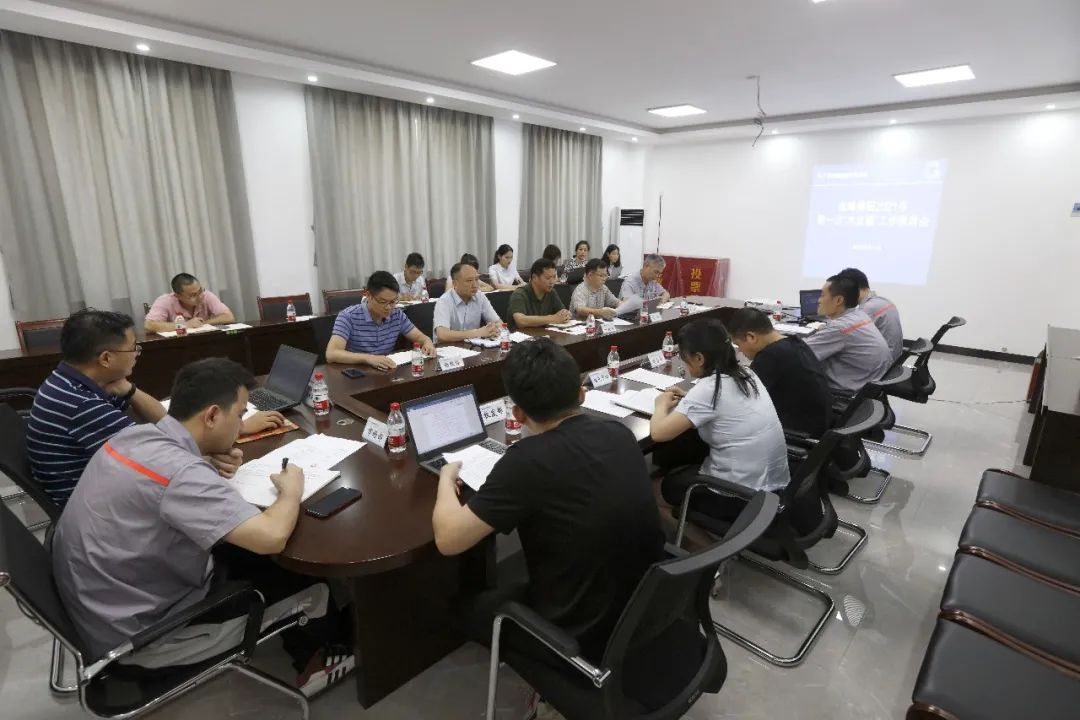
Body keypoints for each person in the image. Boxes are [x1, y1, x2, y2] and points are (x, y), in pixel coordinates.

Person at [51, 358, 353, 695]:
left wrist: (203, 460)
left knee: (247, 552)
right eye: (239, 415)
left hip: (105, 605)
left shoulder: (133, 437)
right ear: (211, 416)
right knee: (307, 576)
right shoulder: (181, 473)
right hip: (144, 639)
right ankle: (319, 661)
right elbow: (272, 537)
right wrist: (292, 489)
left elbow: (163, 483)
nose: (240, 427)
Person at [432, 338, 665, 663]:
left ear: (517, 414)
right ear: (582, 393)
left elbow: (448, 540)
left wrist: (446, 478)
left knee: (463, 608)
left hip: (581, 638)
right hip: (650, 605)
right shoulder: (619, 433)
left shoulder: (526, 461)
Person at [26, 309, 283, 506]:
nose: (137, 353)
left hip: (97, 490)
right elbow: (159, 458)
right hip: (100, 510)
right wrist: (217, 451)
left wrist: (130, 390)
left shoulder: (70, 381)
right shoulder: (82, 405)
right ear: (106, 358)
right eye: (132, 348)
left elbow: (168, 424)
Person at [650, 319, 796, 527]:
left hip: (739, 495)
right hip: (773, 487)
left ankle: (710, 544)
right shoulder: (747, 373)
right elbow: (724, 402)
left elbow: (658, 433)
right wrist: (691, 399)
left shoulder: (709, 389)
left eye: (685, 359)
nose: (685, 364)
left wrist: (661, 405)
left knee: (655, 489)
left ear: (699, 358)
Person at [727, 308, 833, 439]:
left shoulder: (770, 357)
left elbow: (742, 398)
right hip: (820, 426)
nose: (739, 351)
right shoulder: (795, 342)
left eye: (738, 344)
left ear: (751, 337)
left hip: (799, 436)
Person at [326, 271, 435, 371]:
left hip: (386, 371)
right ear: (368, 295)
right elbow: (332, 353)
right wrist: (368, 358)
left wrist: (427, 342)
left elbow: (420, 337)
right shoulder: (348, 317)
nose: (388, 307)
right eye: (382, 302)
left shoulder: (397, 314)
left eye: (393, 302)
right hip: (358, 374)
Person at [804, 274, 893, 394]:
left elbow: (799, 353)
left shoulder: (840, 327)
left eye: (823, 295)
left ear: (838, 300)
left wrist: (780, 338)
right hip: (868, 386)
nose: (819, 300)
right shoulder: (860, 315)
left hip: (846, 392)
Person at [837, 267, 904, 362]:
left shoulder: (868, 308)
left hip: (882, 363)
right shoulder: (884, 301)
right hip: (894, 359)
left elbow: (843, 335)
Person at [432, 262, 503, 343]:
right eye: (469, 280)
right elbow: (442, 335)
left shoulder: (479, 296)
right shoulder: (444, 301)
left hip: (472, 346)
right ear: (455, 284)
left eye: (476, 279)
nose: (475, 285)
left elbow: (498, 322)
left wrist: (494, 329)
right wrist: (477, 333)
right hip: (448, 348)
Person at [145, 273, 235, 334]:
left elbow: (229, 317)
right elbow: (149, 326)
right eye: (193, 295)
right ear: (178, 296)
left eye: (200, 291)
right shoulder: (165, 301)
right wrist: (185, 325)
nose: (199, 296)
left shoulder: (206, 295)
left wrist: (203, 323)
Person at [508, 259, 572, 328]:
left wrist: (566, 314)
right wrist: (553, 318)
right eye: (548, 278)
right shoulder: (519, 294)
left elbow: (562, 311)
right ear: (534, 277)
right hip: (522, 334)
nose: (552, 282)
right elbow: (520, 321)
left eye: (554, 277)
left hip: (544, 333)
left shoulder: (551, 292)